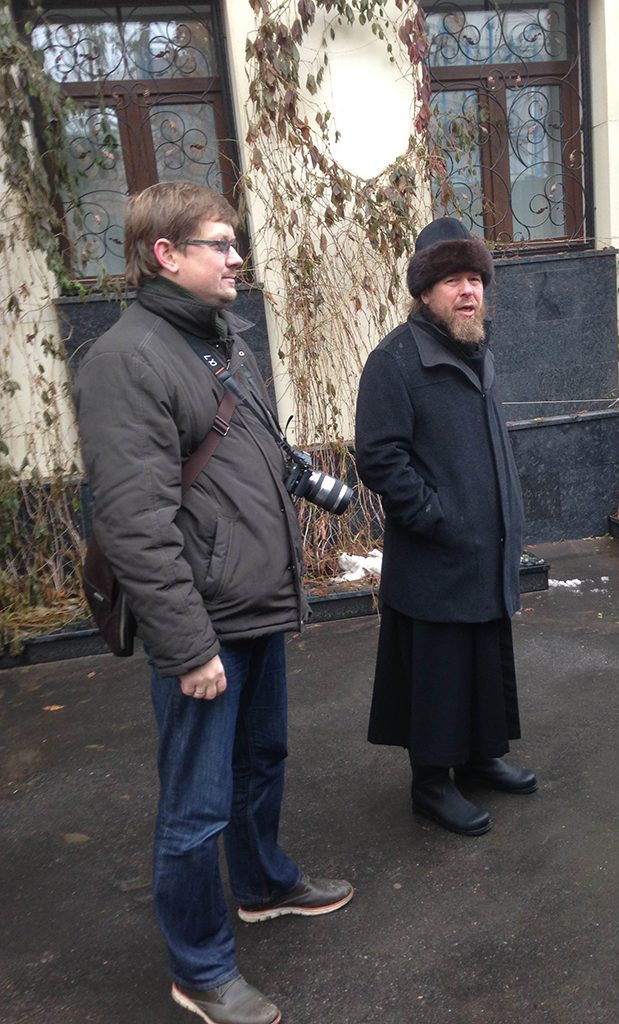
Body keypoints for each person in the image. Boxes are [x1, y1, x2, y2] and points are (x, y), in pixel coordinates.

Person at [74, 182, 353, 1024]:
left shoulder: (221, 340)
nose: (237, 259)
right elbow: (135, 524)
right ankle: (199, 969)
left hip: (255, 601)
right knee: (195, 805)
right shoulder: (127, 360)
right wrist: (190, 647)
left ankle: (262, 884)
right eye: (220, 244)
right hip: (206, 624)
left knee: (261, 759)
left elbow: (253, 452)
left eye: (235, 244)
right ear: (166, 254)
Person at [354, 216, 537, 837]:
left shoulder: (477, 351)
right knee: (439, 671)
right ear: (425, 291)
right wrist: (436, 516)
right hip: (436, 554)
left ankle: (480, 759)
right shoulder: (395, 360)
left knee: (482, 657)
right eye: (454, 280)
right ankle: (431, 784)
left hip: (486, 547)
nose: (468, 291)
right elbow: (379, 457)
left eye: (476, 279)